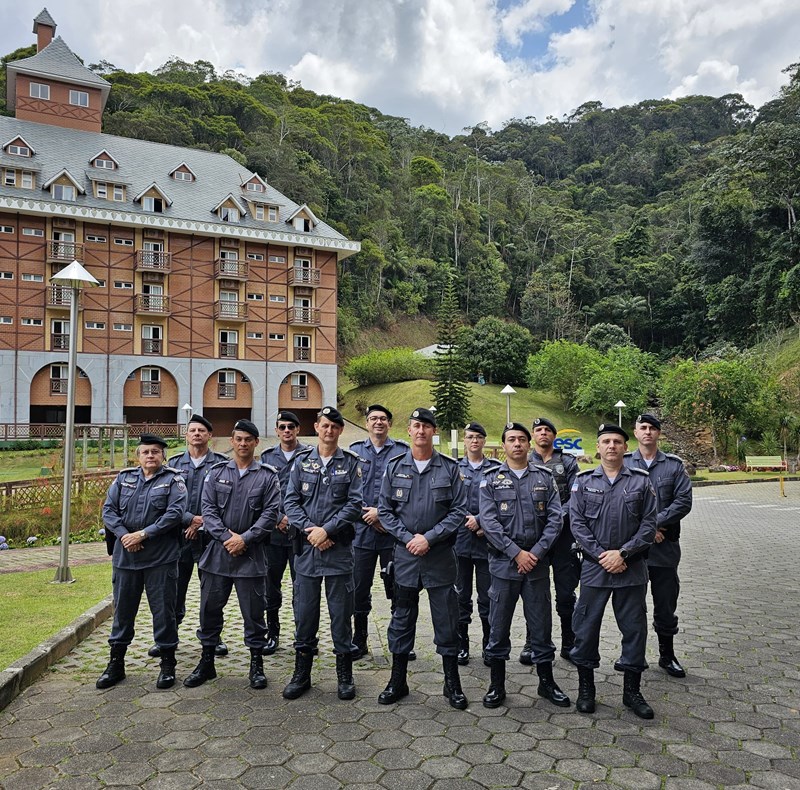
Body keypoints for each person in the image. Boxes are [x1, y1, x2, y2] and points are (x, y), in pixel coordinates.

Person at [377, 408, 469, 709]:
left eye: (426, 426)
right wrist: (408, 539)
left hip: (440, 557)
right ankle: (397, 680)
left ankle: (451, 682)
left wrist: (428, 538)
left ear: (434, 431)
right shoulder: (394, 467)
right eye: (416, 425)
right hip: (405, 559)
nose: (421, 431)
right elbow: (386, 511)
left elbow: (458, 511)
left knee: (447, 619)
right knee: (401, 619)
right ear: (409, 430)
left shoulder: (449, 468)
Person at [183, 419, 280, 690]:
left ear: (256, 442)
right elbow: (208, 511)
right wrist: (228, 538)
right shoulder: (215, 473)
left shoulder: (268, 476)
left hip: (251, 556)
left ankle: (256, 664)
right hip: (218, 555)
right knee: (209, 610)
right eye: (238, 438)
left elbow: (271, 514)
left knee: (254, 614)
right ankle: (207, 662)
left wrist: (244, 539)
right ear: (232, 441)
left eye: (248, 439)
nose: (243, 443)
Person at [570, 424, 657, 718]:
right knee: (586, 627)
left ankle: (632, 692)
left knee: (634, 629)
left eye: (617, 442)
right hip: (595, 570)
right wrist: (601, 555)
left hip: (631, 569)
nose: (611, 446)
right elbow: (577, 523)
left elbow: (649, 525)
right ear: (598, 447)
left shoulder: (641, 482)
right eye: (606, 441)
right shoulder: (583, 482)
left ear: (625, 447)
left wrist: (623, 554)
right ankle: (586, 689)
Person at [479, 423, 569, 709]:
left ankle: (546, 683)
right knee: (498, 626)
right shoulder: (490, 478)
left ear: (529, 445)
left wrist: (537, 552)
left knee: (541, 624)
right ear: (503, 446)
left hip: (537, 564)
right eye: (511, 440)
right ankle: (496, 685)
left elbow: (556, 518)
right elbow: (489, 522)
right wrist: (516, 553)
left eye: (521, 439)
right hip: (504, 565)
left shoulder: (544, 477)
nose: (517, 444)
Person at [282, 406, 363, 700]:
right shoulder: (302, 462)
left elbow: (355, 505)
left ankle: (344, 676)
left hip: (338, 552)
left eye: (334, 427)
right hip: (307, 552)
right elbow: (290, 502)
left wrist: (326, 531)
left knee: (341, 616)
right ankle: (301, 674)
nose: (329, 431)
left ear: (340, 431)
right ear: (316, 427)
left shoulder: (351, 463)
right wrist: (312, 532)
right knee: (305, 615)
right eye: (324, 425)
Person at [97, 434, 187, 690]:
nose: (150, 456)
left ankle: (168, 665)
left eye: (155, 452)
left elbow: (175, 513)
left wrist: (144, 534)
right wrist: (126, 536)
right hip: (127, 558)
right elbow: (109, 510)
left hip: (160, 558)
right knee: (122, 612)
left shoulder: (173, 480)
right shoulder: (124, 478)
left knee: (164, 612)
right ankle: (116, 664)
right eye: (145, 452)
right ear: (138, 456)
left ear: (163, 456)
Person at [146, 415, 228, 659]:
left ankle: (213, 636)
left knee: (213, 592)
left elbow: (224, 501)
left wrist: (201, 522)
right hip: (178, 538)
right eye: (192, 430)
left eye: (202, 430)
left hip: (209, 539)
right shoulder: (171, 464)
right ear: (186, 435)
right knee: (173, 591)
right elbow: (163, 500)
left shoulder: (221, 464)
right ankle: (168, 638)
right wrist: (189, 519)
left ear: (209, 435)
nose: (196, 434)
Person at [624, 414, 693, 677]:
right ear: (636, 432)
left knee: (665, 604)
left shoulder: (673, 466)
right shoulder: (624, 462)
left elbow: (683, 501)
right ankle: (633, 656)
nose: (648, 432)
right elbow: (618, 502)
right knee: (632, 606)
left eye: (653, 428)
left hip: (665, 549)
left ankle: (667, 655)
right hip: (635, 551)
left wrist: (654, 524)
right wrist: (646, 531)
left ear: (659, 434)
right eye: (643, 428)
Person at [349, 404, 410, 660]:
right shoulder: (353, 452)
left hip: (392, 534)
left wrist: (383, 516)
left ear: (390, 424)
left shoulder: (402, 452)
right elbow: (348, 494)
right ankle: (359, 639)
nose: (378, 422)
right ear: (366, 423)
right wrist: (370, 515)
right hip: (361, 534)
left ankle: (400, 640)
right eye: (373, 418)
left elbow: (408, 493)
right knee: (358, 589)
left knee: (398, 587)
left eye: (383, 419)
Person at [522, 417, 580, 664]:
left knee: (565, 593)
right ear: (533, 436)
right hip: (534, 539)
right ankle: (532, 642)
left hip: (563, 537)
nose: (543, 433)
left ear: (554, 436)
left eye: (547, 430)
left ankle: (570, 641)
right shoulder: (525, 461)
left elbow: (575, 497)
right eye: (538, 430)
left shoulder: (567, 461)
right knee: (534, 592)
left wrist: (556, 518)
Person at [259, 411, 310, 656]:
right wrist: (279, 518)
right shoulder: (268, 457)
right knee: (271, 586)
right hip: (275, 534)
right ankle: (273, 632)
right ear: (277, 431)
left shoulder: (310, 455)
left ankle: (305, 634)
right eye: (282, 427)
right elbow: (262, 493)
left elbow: (313, 495)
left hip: (301, 534)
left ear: (298, 429)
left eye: (291, 426)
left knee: (302, 587)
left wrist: (297, 519)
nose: (287, 430)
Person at [455, 421, 499, 666]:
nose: (474, 441)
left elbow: (502, 500)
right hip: (460, 542)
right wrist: (467, 520)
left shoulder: (495, 469)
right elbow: (448, 501)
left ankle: (488, 644)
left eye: (478, 437)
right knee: (460, 596)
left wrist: (481, 520)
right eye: (470, 436)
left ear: (484, 441)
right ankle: (461, 645)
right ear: (464, 440)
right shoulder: (453, 468)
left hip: (486, 542)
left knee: (487, 597)